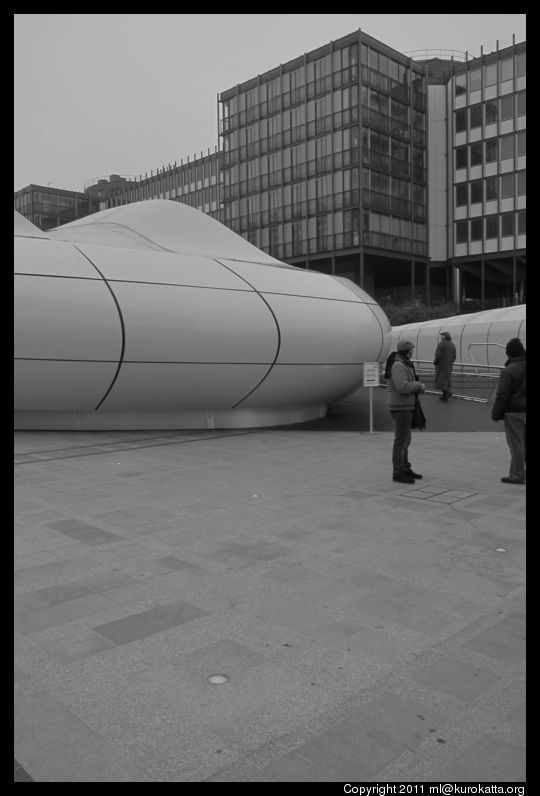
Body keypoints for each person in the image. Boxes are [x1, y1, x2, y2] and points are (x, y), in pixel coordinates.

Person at [385, 339, 426, 484]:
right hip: (400, 407)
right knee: (401, 441)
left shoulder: (403, 364)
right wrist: (418, 385)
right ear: (407, 351)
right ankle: (398, 472)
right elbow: (402, 387)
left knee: (406, 440)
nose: (413, 352)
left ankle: (405, 468)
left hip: (406, 406)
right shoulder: (398, 365)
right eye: (411, 350)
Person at [492, 337, 526, 484]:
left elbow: (502, 395)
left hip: (514, 412)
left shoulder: (508, 371)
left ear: (508, 353)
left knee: (516, 444)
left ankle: (517, 475)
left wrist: (496, 413)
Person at [434, 331, 457, 401]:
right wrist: (451, 362)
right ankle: (445, 394)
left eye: (442, 335)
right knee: (446, 379)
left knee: (441, 379)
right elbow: (454, 355)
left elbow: (438, 355)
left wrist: (436, 362)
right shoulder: (452, 344)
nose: (441, 337)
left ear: (445, 336)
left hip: (441, 365)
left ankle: (447, 392)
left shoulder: (441, 344)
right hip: (449, 365)